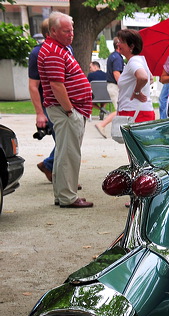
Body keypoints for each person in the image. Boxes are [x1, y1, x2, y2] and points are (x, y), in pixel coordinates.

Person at [38, 12, 93, 208]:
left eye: (72, 30)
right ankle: (68, 197)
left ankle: (62, 195)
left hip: (68, 109)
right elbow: (57, 85)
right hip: (66, 109)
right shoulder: (54, 51)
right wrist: (70, 110)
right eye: (66, 30)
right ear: (53, 31)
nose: (71, 34)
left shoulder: (59, 48)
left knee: (64, 153)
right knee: (69, 154)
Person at [28, 17, 55, 183]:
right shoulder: (37, 53)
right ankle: (50, 166)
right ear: (51, 32)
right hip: (49, 103)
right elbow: (33, 85)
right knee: (64, 141)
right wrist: (39, 113)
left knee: (66, 142)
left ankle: (51, 166)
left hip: (60, 103)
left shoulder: (65, 49)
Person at [114, 29, 155, 124]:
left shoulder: (134, 61)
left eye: (121, 42)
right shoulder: (140, 60)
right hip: (140, 111)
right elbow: (150, 78)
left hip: (133, 113)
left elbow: (143, 77)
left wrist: (136, 92)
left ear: (131, 46)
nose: (118, 44)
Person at [94, 37, 123, 137]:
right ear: (119, 45)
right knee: (120, 110)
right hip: (115, 86)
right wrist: (123, 86)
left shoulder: (113, 56)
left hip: (111, 86)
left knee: (121, 110)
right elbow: (116, 73)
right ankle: (102, 124)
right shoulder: (118, 58)